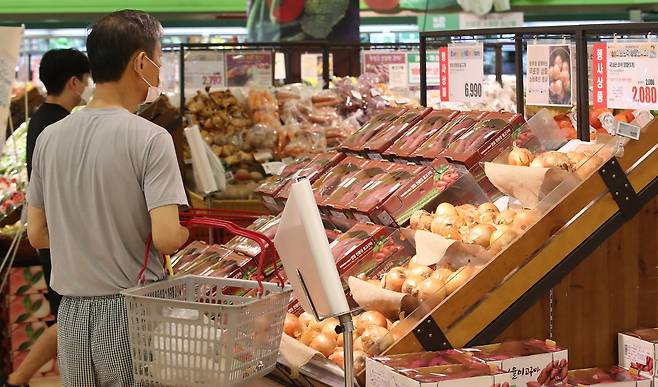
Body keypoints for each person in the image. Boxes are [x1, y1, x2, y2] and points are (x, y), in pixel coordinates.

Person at [26, 9, 189, 386]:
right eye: (159, 60)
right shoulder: (150, 138)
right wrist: (184, 236)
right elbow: (166, 237)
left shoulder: (50, 137)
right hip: (132, 311)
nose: (159, 71)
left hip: (71, 314)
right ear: (140, 62)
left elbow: (37, 234)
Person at [2, 49, 90, 387]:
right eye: (87, 81)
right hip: (59, 237)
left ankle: (19, 377)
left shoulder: (42, 118)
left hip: (52, 233)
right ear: (73, 83)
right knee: (70, 317)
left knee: (66, 317)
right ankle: (22, 377)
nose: (88, 87)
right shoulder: (59, 125)